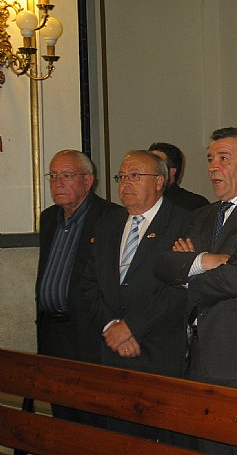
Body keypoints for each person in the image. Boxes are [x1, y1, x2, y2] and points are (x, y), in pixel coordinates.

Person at [154, 128, 237, 455]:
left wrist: (187, 271)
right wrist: (203, 261)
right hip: (197, 356)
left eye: (223, 159)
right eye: (210, 159)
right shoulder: (202, 215)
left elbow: (235, 280)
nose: (213, 167)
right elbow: (162, 266)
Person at [78, 150, 191, 441]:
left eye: (135, 176)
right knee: (119, 439)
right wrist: (110, 328)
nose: (125, 183)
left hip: (159, 354)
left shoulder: (183, 222)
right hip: (113, 352)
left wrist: (131, 328)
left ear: (159, 182)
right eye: (122, 176)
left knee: (162, 441)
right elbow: (88, 285)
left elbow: (180, 288)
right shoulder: (107, 224)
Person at [37, 149, 118, 424]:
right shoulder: (49, 218)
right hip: (51, 333)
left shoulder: (111, 218)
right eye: (53, 175)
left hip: (87, 334)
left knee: (90, 416)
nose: (57, 183)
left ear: (88, 181)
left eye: (67, 176)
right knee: (61, 416)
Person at [149, 142, 209, 211]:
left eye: (156, 164)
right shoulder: (140, 200)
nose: (149, 169)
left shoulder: (194, 204)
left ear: (172, 171)